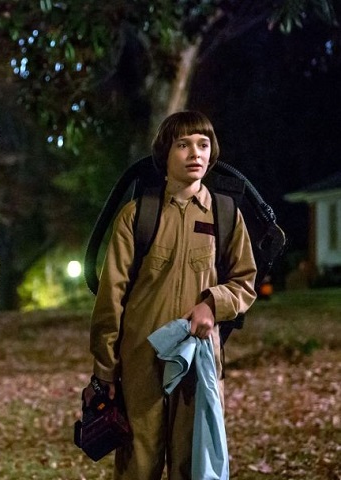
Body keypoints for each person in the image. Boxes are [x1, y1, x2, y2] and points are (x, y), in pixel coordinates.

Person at [87, 111, 257, 479]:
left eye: (203, 144)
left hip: (199, 362)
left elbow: (245, 282)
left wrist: (213, 304)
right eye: (183, 145)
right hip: (141, 361)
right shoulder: (138, 215)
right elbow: (111, 297)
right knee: (138, 466)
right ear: (165, 154)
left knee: (193, 465)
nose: (195, 153)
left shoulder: (226, 215)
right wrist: (105, 370)